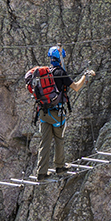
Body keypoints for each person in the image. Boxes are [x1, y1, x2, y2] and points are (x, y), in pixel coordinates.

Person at [27, 46, 94, 178]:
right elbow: (76, 87)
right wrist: (85, 76)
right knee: (59, 138)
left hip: (43, 112)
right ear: (60, 58)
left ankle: (41, 172)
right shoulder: (60, 72)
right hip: (56, 113)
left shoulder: (46, 73)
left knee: (45, 142)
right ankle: (60, 166)